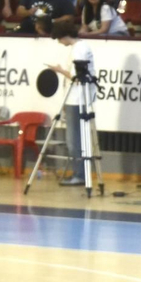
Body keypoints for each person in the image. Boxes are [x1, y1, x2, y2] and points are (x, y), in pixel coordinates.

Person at [45, 17, 98, 186]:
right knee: (76, 138)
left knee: (74, 139)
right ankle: (80, 173)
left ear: (65, 35)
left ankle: (80, 174)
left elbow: (78, 77)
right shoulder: (82, 47)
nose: (60, 43)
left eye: (59, 38)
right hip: (78, 97)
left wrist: (59, 70)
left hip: (77, 98)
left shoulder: (78, 50)